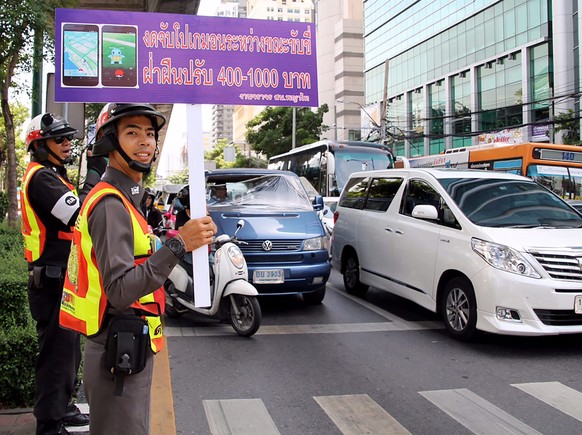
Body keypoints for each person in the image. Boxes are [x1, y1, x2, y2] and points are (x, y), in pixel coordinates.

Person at [59, 103, 216, 434]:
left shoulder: (125, 198)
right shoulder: (110, 204)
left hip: (127, 347)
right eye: (132, 133)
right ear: (109, 143)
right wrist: (178, 244)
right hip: (116, 349)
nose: (145, 141)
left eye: (149, 134)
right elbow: (118, 291)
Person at [21, 112, 106, 435]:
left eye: (69, 138)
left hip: (61, 279)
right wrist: (94, 177)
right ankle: (49, 422)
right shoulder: (41, 179)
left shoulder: (53, 176)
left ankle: (64, 406)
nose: (68, 143)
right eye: (60, 139)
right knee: (55, 356)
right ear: (40, 146)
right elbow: (78, 215)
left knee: (68, 350)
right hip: (51, 281)